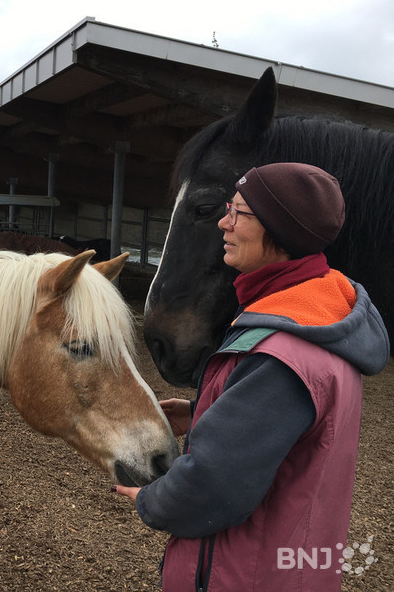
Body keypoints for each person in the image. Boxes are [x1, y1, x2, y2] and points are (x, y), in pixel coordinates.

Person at [113, 162, 389, 590]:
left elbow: (213, 486)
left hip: (244, 575)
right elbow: (288, 425)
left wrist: (153, 500)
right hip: (289, 564)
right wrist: (204, 409)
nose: (224, 222)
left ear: (279, 230)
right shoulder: (320, 316)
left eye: (239, 211)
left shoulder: (283, 353)